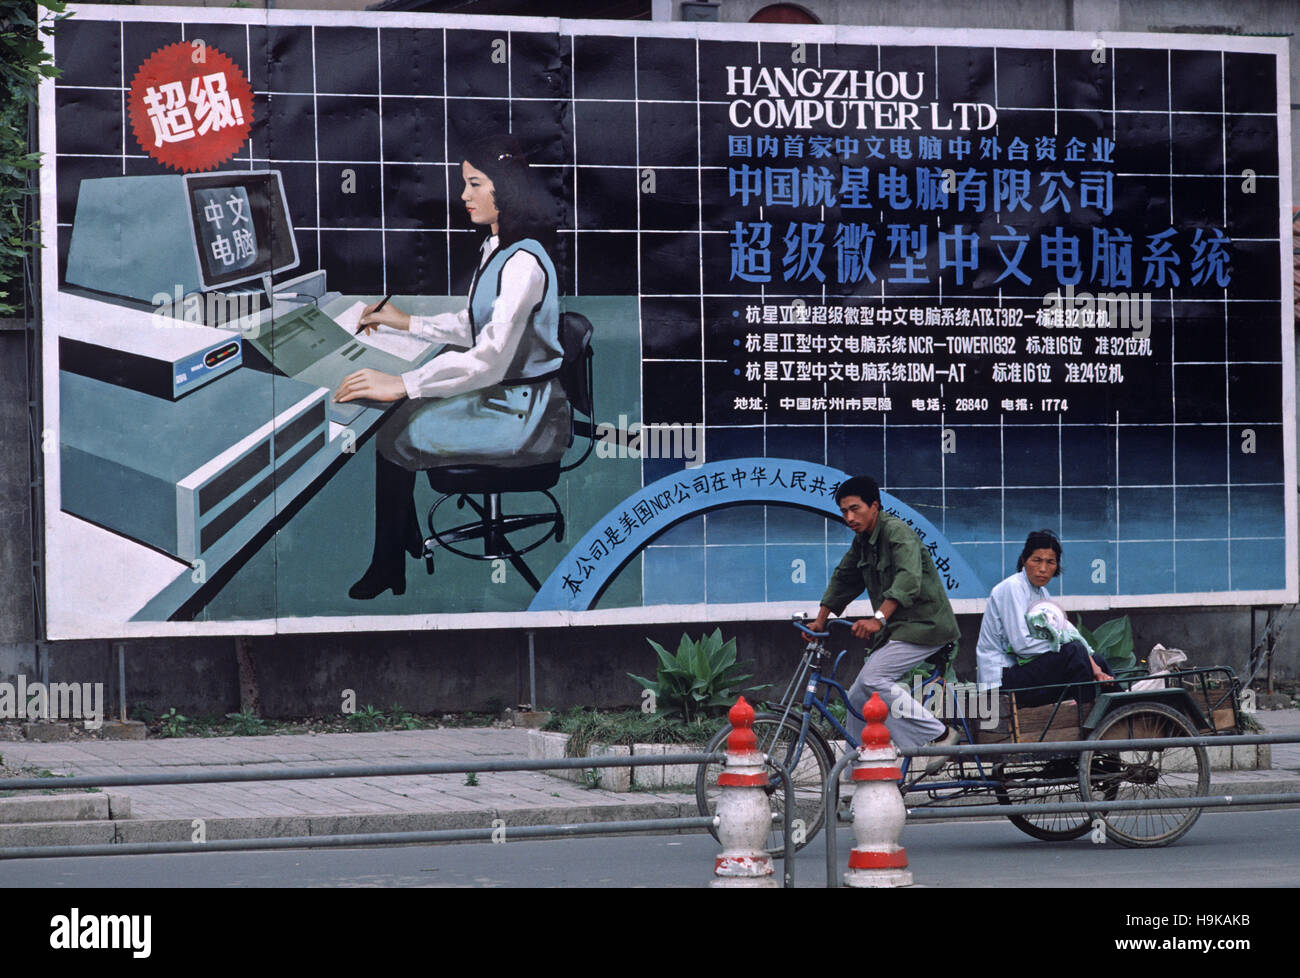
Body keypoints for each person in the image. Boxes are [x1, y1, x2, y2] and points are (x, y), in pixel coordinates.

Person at [335, 135, 569, 599]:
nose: (463, 195)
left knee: (395, 434)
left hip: (527, 416)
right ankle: (398, 543)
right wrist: (405, 322)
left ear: (503, 188)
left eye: (474, 184)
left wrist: (403, 382)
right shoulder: (497, 247)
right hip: (509, 397)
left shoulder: (523, 263)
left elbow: (488, 360)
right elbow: (474, 324)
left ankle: (389, 563)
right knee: (395, 426)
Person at [808, 476, 962, 770]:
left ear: (874, 506)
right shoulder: (863, 541)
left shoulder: (897, 532)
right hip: (898, 630)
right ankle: (858, 772)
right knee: (857, 697)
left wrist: (878, 618)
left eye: (855, 509)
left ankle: (939, 735)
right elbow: (844, 578)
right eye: (844, 512)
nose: (849, 518)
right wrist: (819, 621)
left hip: (925, 626)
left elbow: (908, 578)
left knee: (871, 680)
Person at [975, 529, 1113, 707]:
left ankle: (1122, 712)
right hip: (1002, 680)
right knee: (1074, 652)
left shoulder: (1043, 594)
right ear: (1024, 560)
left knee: (1097, 659)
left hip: (1026, 672)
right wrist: (1073, 651)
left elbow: (1066, 631)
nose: (1043, 569)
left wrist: (1094, 665)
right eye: (1036, 560)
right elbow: (1022, 645)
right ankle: (1087, 717)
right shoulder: (1012, 587)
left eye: (1050, 562)